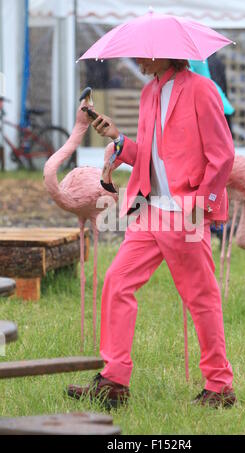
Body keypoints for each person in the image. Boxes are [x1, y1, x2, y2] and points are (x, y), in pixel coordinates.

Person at [67, 58, 236, 409]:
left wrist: (201, 203)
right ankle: (114, 380)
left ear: (166, 52)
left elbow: (223, 154)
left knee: (200, 297)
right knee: (117, 281)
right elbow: (150, 155)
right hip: (148, 209)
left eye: (146, 53)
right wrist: (119, 138)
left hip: (185, 213)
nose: (139, 59)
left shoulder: (202, 90)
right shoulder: (149, 92)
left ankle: (220, 386)